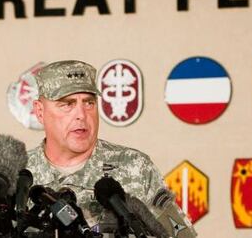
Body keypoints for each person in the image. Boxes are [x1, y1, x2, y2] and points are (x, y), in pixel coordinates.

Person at [26, 60, 196, 236]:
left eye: (89, 103)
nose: (81, 115)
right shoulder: (17, 178)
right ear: (40, 112)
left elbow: (183, 235)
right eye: (67, 104)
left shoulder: (135, 167)